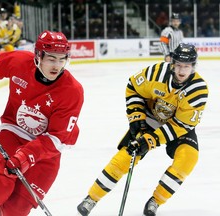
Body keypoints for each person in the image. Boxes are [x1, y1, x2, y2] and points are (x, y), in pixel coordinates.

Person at [0, 30, 84, 216]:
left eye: (61, 59)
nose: (57, 66)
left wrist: (26, 157)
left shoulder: (72, 91)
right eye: (51, 58)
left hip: (46, 152)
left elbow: (56, 139)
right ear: (38, 56)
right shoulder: (19, 62)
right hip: (12, 132)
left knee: (16, 209)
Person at [77, 43, 208, 216]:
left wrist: (151, 140)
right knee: (126, 156)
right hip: (151, 117)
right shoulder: (156, 73)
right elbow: (133, 87)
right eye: (179, 65)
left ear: (193, 67)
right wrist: (137, 118)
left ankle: (156, 200)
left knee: (188, 158)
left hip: (177, 126)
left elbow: (182, 125)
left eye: (187, 66)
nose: (182, 71)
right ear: (172, 64)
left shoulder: (198, 90)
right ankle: (92, 198)